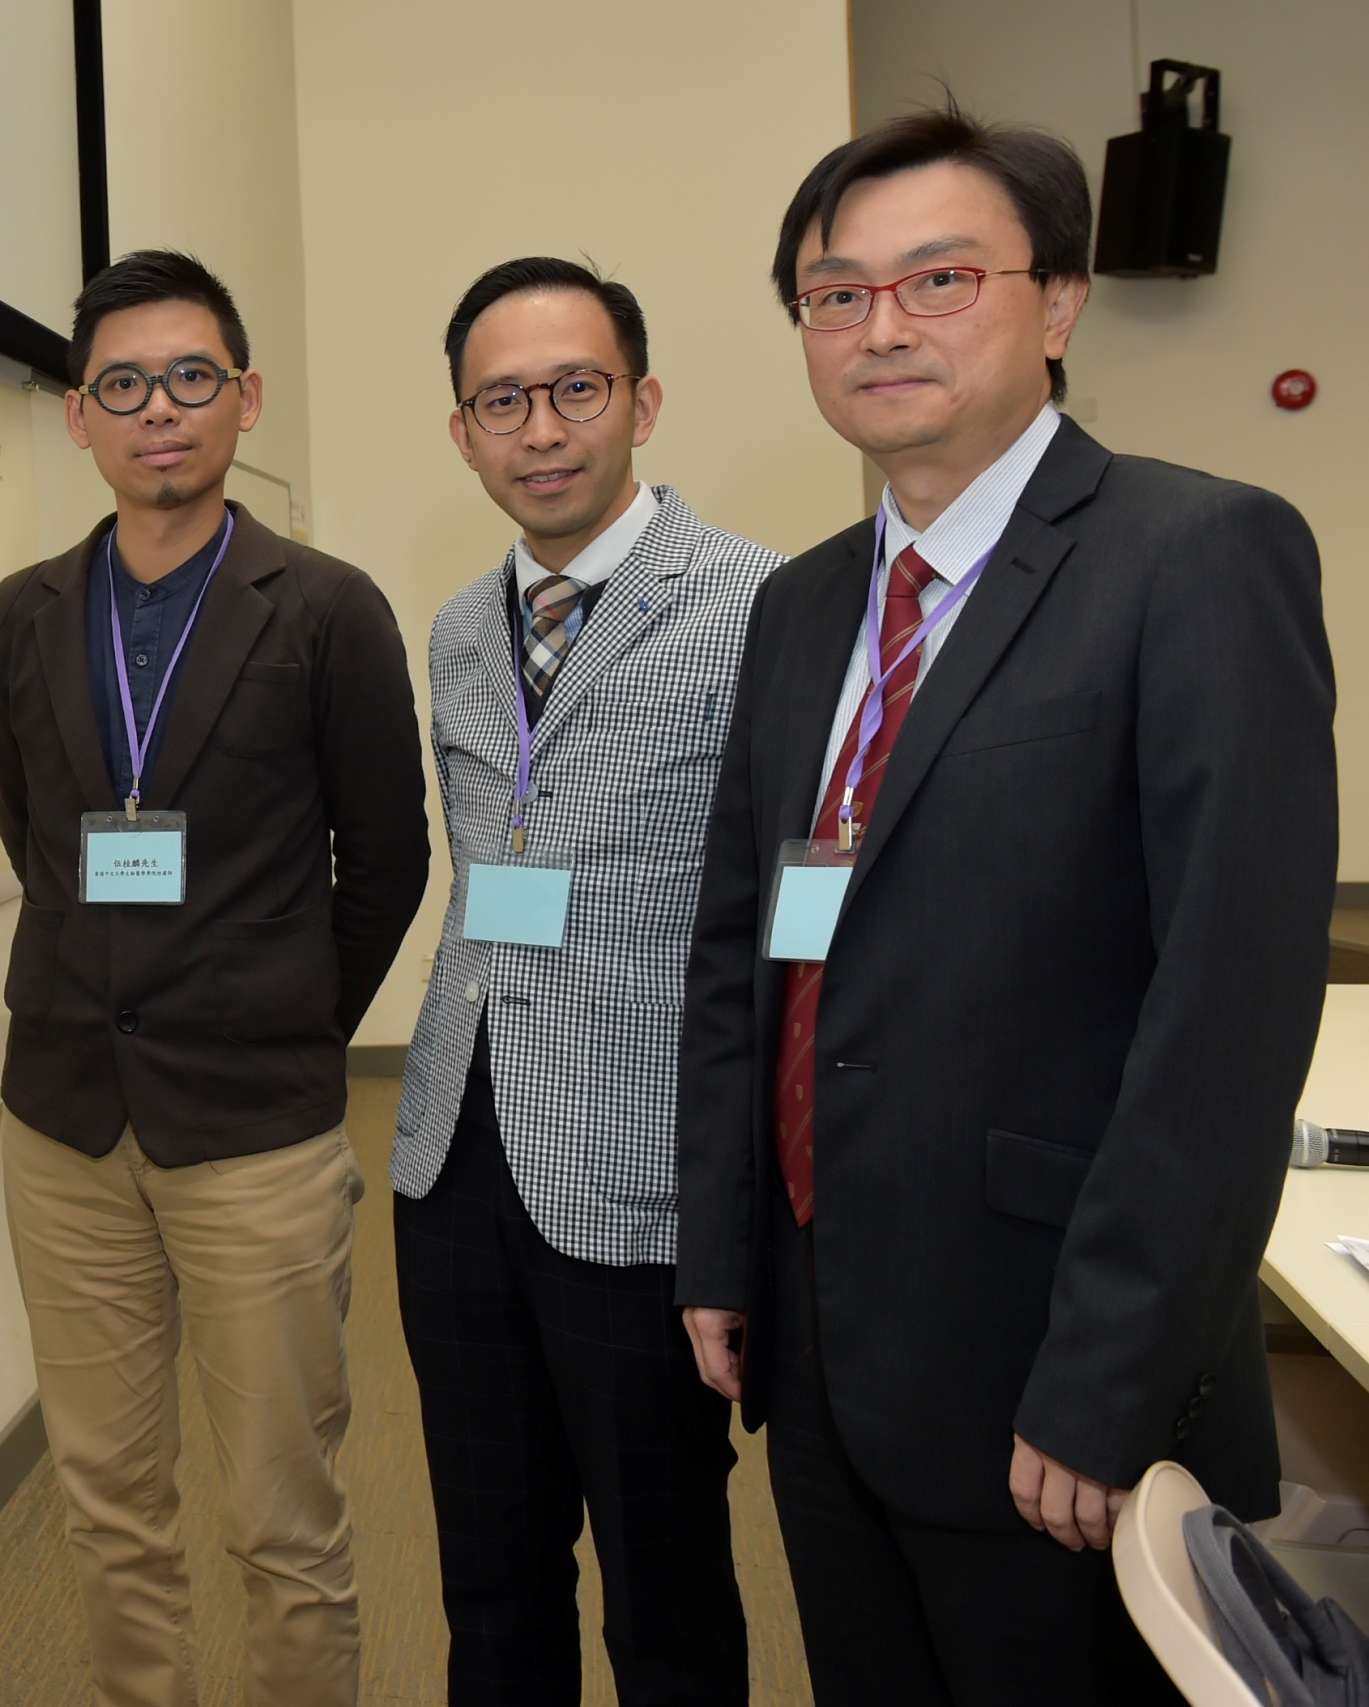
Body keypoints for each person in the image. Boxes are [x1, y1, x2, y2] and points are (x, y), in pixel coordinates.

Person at [675, 107, 1336, 1705]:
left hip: (1050, 1367)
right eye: (833, 293)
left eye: (939, 276)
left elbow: (1224, 1023)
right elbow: (739, 953)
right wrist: (723, 1250)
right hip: (822, 1335)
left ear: (1056, 305)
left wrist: (1107, 1381)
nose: (880, 325)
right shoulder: (803, 601)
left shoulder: (1193, 554)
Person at [0, 248, 429, 1707]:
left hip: (254, 1131)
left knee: (280, 1518)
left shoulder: (324, 607)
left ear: (242, 399)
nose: (155, 410)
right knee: (108, 1506)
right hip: (61, 1121)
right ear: (77, 415)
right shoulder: (26, 612)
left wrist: (285, 1020)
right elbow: (34, 835)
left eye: (188, 379)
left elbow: (387, 859)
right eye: (122, 384)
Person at [395, 258, 777, 1705]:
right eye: (503, 400)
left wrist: (736, 1219)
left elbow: (777, 919)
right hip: (449, 1160)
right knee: (488, 1577)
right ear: (462, 431)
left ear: (642, 400)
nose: (540, 429)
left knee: (665, 1589)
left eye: (574, 389)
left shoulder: (753, 602)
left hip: (635, 1175)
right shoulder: (449, 629)